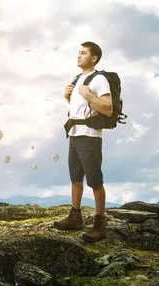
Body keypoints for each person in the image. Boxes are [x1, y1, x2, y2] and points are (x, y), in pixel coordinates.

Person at [53, 41, 113, 243]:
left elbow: (108, 109)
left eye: (84, 53)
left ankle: (100, 224)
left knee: (95, 181)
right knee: (75, 178)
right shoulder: (78, 78)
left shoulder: (99, 79)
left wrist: (88, 94)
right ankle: (75, 217)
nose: (79, 56)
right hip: (75, 133)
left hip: (90, 136)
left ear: (94, 58)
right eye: (78, 53)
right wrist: (67, 98)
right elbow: (79, 109)